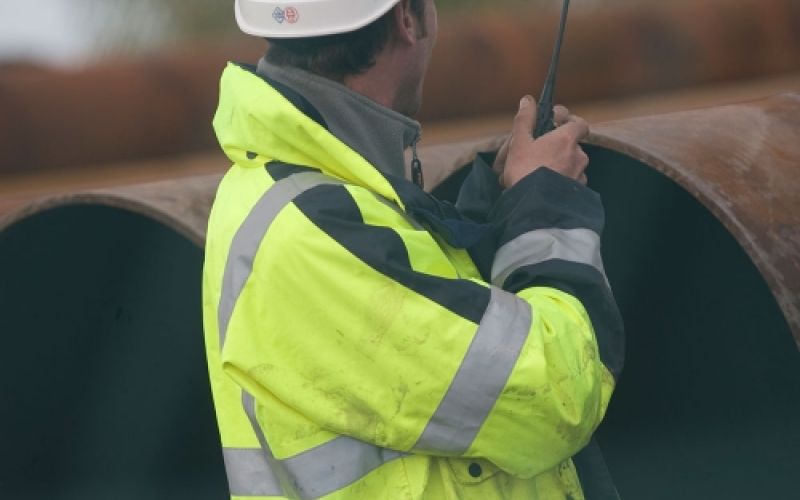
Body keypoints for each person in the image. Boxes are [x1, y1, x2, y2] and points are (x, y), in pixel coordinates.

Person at [202, 0, 625, 498]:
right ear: (406, 17)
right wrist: (545, 210)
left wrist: (499, 206)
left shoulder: (310, 190)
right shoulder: (313, 234)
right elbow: (556, 397)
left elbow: (428, 326)